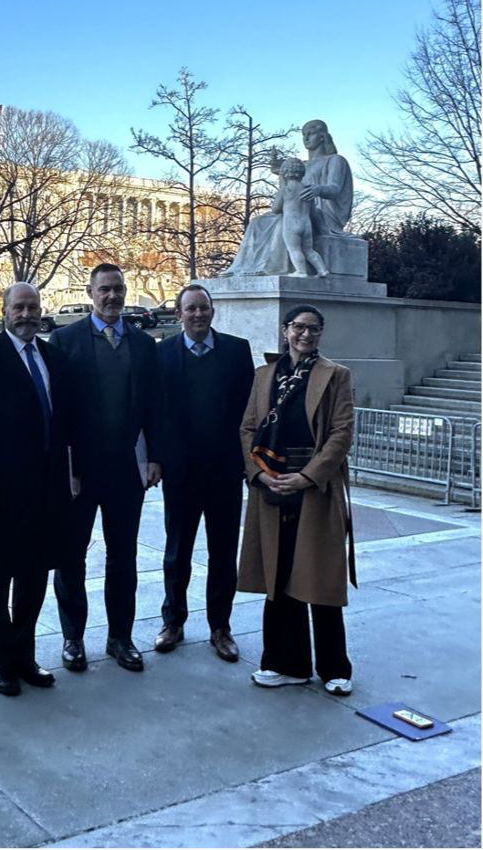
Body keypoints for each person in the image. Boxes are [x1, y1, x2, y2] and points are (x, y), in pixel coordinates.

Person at [49, 263, 163, 673]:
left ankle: (120, 637)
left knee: (123, 558)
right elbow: (58, 410)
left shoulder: (144, 345)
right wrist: (67, 466)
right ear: (90, 292)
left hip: (125, 472)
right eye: (104, 290)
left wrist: (155, 458)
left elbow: (154, 408)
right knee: (71, 557)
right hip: (80, 472)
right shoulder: (64, 340)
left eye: (118, 289)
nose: (112, 296)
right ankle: (73, 637)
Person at [0, 282, 74, 696]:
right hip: (2, 487)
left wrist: (73, 471)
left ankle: (24, 654)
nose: (27, 314)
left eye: (33, 307)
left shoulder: (53, 357)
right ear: (5, 311)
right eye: (19, 307)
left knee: (36, 571)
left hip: (47, 484)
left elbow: (65, 420)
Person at [239, 304, 356, 695]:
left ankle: (335, 668)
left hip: (314, 489)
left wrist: (307, 477)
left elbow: (341, 434)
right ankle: (286, 663)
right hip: (271, 485)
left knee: (319, 578)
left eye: (315, 329)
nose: (306, 335)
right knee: (279, 575)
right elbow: (248, 429)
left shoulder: (335, 375)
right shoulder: (264, 376)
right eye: (300, 328)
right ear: (285, 330)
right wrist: (258, 474)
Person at [155, 284, 254, 662]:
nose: (198, 315)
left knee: (223, 553)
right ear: (178, 315)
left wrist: (249, 463)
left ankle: (220, 627)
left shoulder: (236, 350)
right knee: (176, 552)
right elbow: (156, 411)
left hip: (225, 472)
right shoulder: (162, 352)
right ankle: (173, 622)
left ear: (213, 312)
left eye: (204, 308)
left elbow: (249, 412)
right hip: (180, 473)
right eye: (190, 309)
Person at [221, 120, 353, 277]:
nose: (306, 138)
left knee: (282, 221)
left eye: (310, 134)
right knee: (257, 222)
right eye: (304, 135)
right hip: (304, 212)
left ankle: (271, 268)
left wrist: (318, 189)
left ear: (323, 136)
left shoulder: (335, 160)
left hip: (322, 214)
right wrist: (280, 169)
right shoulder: (304, 164)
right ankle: (244, 267)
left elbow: (335, 189)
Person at [273, 158, 329, 278]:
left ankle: (301, 271)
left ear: (284, 173)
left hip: (291, 224)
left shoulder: (285, 189)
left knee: (294, 249)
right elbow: (313, 212)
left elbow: (275, 209)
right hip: (306, 224)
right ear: (302, 173)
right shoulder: (307, 189)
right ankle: (322, 270)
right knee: (309, 250)